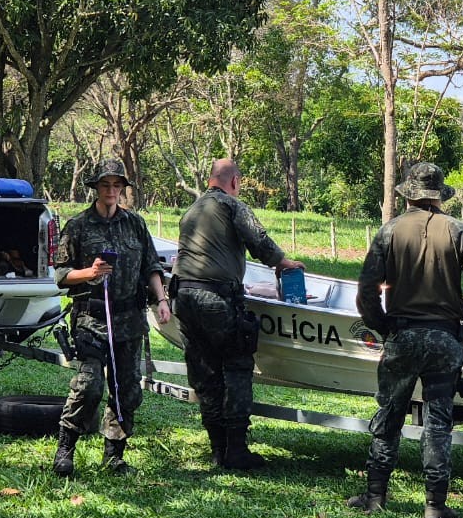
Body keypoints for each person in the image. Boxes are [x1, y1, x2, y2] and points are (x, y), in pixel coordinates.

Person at [346, 162, 463, 518]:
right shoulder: (459, 230)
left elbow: (366, 290)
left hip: (402, 335)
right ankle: (434, 505)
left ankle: (375, 495)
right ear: (439, 196)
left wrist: (383, 326)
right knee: (438, 423)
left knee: (389, 416)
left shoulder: (390, 231)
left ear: (409, 194)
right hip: (445, 339)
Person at [171, 158, 304, 470]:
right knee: (237, 366)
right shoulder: (232, 205)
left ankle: (218, 448)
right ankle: (237, 449)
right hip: (216, 298)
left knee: (205, 374)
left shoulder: (192, 210)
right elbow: (258, 240)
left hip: (183, 298)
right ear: (234, 182)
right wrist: (284, 263)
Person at [51, 159, 171, 477]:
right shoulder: (78, 226)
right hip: (91, 319)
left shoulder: (135, 224)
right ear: (96, 189)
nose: (111, 191)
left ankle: (114, 455)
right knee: (89, 386)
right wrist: (89, 272)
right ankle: (66, 449)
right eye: (105, 185)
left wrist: (161, 300)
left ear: (122, 190)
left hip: (129, 320)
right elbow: (60, 275)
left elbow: (151, 267)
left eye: (117, 186)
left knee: (126, 389)